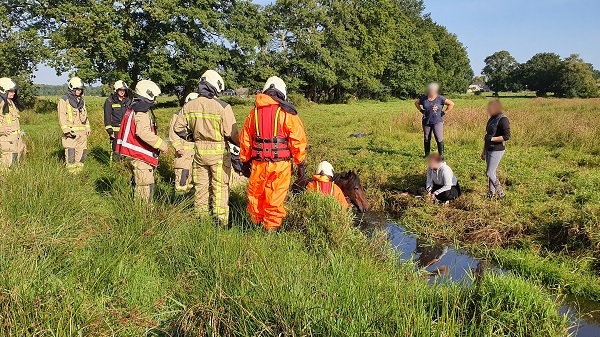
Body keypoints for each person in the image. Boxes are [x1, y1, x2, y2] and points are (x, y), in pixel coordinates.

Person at [239, 76, 308, 232]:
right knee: (275, 199)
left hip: (258, 165)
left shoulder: (253, 113)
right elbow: (298, 140)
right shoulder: (288, 113)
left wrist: (244, 161)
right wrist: (300, 163)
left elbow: (245, 139)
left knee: (256, 197)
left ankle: (255, 227)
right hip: (280, 166)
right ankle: (270, 233)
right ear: (282, 92)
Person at [174, 70, 238, 223]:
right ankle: (220, 220)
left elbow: (178, 128)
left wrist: (191, 138)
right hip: (219, 154)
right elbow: (231, 133)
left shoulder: (189, 105)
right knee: (220, 187)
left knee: (201, 186)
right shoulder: (223, 106)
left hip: (199, 154)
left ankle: (200, 217)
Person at [115, 80, 168, 201]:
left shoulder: (133, 109)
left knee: (137, 184)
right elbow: (143, 133)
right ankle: (144, 214)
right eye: (154, 97)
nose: (155, 101)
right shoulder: (141, 113)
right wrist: (162, 144)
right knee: (145, 186)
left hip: (131, 155)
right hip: (140, 158)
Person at [58, 77, 90, 173]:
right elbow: (62, 116)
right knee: (71, 154)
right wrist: (66, 131)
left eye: (81, 89)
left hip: (82, 133)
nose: (79, 91)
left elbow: (85, 116)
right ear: (72, 88)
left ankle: (79, 174)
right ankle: (71, 175)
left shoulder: (81, 101)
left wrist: (88, 127)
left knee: (82, 154)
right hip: (71, 133)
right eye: (77, 89)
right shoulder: (64, 100)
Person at [169, 92, 198, 195]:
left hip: (195, 151)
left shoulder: (197, 115)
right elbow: (173, 133)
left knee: (194, 175)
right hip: (183, 152)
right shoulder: (178, 115)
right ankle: (179, 199)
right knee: (182, 175)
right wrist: (178, 147)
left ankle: (190, 196)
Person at [415, 83, 455, 157]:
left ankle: (441, 155)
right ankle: (427, 155)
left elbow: (451, 104)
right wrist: (421, 110)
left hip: (437, 121)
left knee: (439, 137)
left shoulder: (440, 98)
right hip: (426, 121)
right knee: (427, 137)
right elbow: (416, 103)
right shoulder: (424, 98)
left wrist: (444, 112)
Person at [481, 99, 511, 199]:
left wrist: (492, 139)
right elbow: (487, 135)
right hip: (489, 148)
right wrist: (483, 150)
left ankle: (501, 193)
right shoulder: (492, 119)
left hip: (497, 149)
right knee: (491, 172)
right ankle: (491, 193)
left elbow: (506, 136)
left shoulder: (503, 119)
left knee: (489, 172)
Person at [0, 77, 26, 169]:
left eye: (14, 91)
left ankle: (12, 180)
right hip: (7, 139)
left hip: (15, 139)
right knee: (7, 162)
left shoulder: (10, 102)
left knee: (16, 161)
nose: (13, 93)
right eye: (10, 91)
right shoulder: (1, 103)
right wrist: (1, 130)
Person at [104, 80, 131, 162]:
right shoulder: (109, 101)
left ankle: (125, 166)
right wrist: (110, 131)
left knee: (126, 149)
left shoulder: (128, 101)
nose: (122, 92)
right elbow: (107, 117)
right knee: (116, 150)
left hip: (126, 130)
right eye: (120, 90)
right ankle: (117, 167)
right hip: (115, 130)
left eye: (124, 90)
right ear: (116, 90)